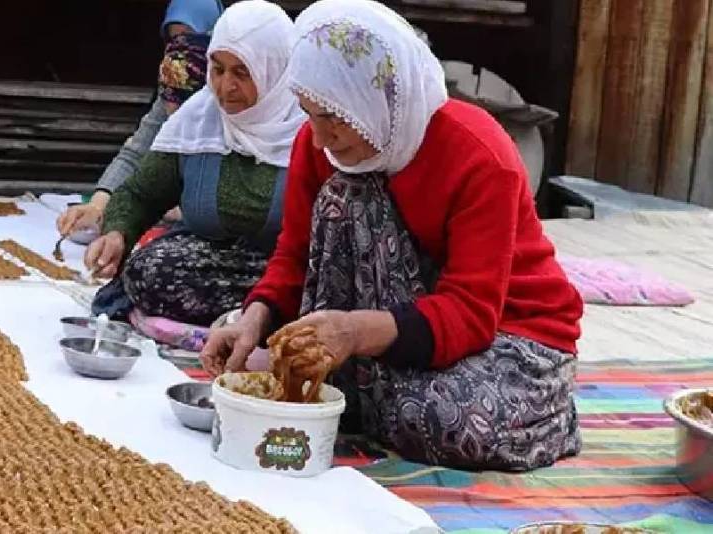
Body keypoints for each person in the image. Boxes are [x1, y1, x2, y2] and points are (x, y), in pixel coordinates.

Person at [200, 0, 584, 472]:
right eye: (310, 114)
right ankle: (364, 387)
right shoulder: (319, 145)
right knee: (346, 199)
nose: (319, 138)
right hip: (397, 338)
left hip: (509, 334)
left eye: (334, 118)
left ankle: (550, 413)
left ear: (376, 100)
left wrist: (351, 332)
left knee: (440, 420)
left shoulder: (480, 155)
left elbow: (472, 311)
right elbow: (295, 256)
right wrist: (252, 320)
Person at [85, 0, 306, 327]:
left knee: (316, 294)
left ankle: (265, 316)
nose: (225, 87)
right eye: (217, 70)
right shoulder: (199, 120)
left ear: (275, 71)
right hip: (216, 269)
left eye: (242, 73)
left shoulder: (310, 132)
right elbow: (141, 194)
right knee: (148, 271)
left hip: (289, 272)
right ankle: (255, 320)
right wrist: (118, 233)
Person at [56, 0, 224, 241]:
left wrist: (182, 209)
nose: (181, 49)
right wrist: (99, 203)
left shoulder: (232, 99)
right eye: (173, 39)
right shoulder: (174, 86)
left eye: (190, 37)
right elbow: (136, 154)